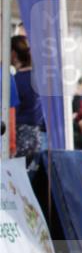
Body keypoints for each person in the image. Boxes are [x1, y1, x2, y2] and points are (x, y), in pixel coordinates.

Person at [10, 35, 47, 170]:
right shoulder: (39, 79)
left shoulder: (15, 81)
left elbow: (12, 112)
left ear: (13, 54)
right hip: (38, 138)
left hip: (20, 137)